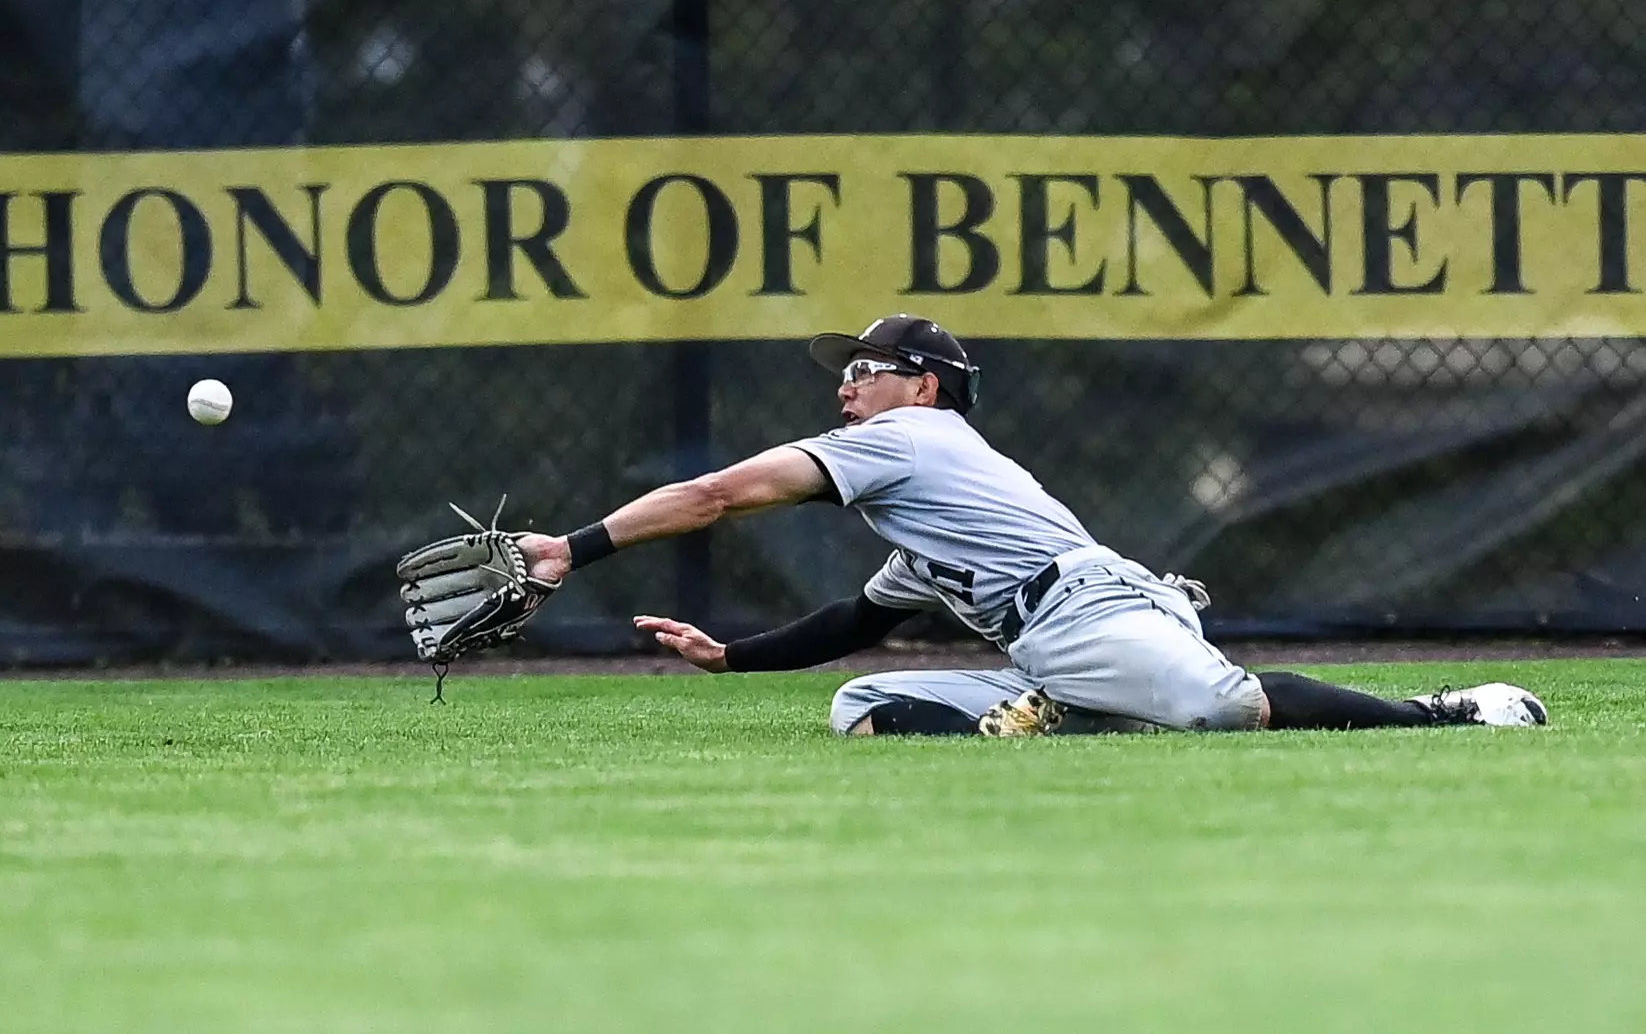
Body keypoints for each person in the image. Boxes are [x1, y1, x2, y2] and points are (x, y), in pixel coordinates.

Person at [515, 315, 1549, 736]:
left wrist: (574, 547)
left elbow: (715, 495)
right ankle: (1061, 710)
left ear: (919, 385)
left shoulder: (907, 441)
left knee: (1222, 708)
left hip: (1093, 610)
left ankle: (1439, 714)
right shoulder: (927, 501)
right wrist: (730, 657)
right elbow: (857, 619)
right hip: (1059, 628)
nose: (842, 385)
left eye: (861, 370)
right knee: (861, 706)